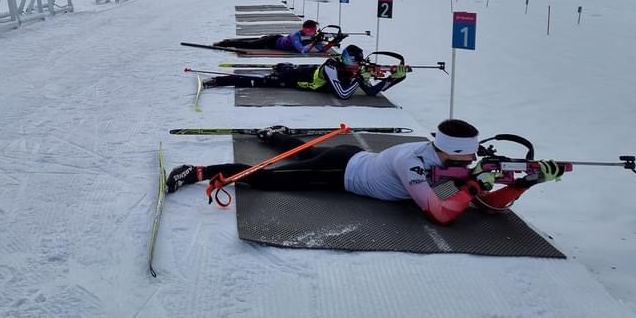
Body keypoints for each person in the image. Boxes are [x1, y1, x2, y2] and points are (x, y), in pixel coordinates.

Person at [165, 119, 565, 226]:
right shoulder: (412, 162)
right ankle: (198, 170)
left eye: (469, 162)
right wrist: (476, 181)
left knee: (309, 153)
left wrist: (525, 182)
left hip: (351, 154)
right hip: (341, 173)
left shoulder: (450, 163)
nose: (467, 168)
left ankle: (279, 135)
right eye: (462, 162)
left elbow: (487, 206)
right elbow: (441, 214)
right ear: (443, 150)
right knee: (268, 177)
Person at [203, 44, 407, 99]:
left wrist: (395, 79)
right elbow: (343, 94)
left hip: (309, 71)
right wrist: (358, 78)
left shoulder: (354, 70)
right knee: (264, 81)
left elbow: (371, 92)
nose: (354, 66)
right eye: (350, 61)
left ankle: (282, 66)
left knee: (290, 67)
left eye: (355, 63)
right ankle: (220, 80)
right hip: (298, 79)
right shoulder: (332, 66)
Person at [214, 20, 334, 54]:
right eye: (314, 31)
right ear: (307, 30)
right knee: (248, 44)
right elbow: (302, 51)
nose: (315, 33)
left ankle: (227, 41)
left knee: (251, 41)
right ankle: (224, 43)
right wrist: (313, 42)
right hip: (271, 41)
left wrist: (333, 42)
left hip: (277, 38)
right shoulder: (295, 36)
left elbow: (322, 50)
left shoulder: (311, 38)